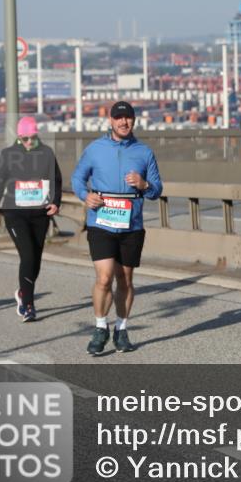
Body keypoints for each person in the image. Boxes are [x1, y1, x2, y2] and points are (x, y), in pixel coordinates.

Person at [71, 101, 162, 355]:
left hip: (131, 224)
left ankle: (121, 329)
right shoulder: (95, 149)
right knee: (104, 277)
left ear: (134, 121)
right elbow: (78, 177)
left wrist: (144, 184)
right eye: (119, 118)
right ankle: (100, 327)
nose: (124, 122)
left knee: (125, 279)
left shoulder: (144, 152)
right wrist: (84, 195)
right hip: (101, 220)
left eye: (128, 118)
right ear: (110, 121)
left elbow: (157, 189)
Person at [0, 116, 62, 322]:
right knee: (27, 256)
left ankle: (22, 292)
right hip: (14, 213)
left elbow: (56, 180)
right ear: (19, 137)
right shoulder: (8, 154)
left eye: (33, 138)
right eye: (25, 138)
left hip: (40, 214)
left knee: (35, 259)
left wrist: (55, 202)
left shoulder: (46, 153)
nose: (29, 142)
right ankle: (28, 305)